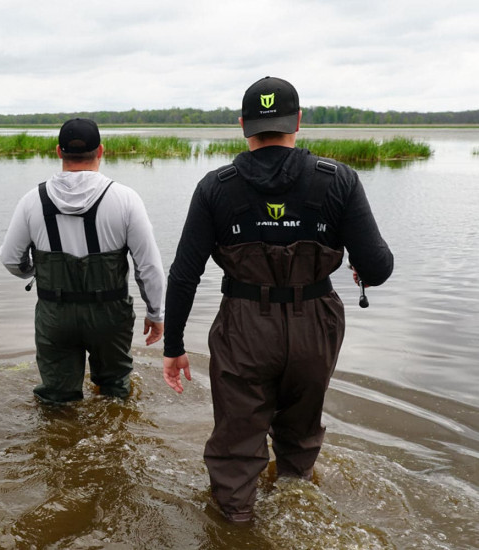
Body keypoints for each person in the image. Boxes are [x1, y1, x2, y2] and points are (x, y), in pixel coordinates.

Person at [162, 77, 393, 522]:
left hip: (244, 329)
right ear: (299, 121)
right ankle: (297, 510)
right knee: (301, 435)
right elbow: (378, 268)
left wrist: (173, 347)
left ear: (244, 125)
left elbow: (185, 274)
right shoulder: (338, 180)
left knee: (236, 447)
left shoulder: (215, 187)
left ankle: (237, 525)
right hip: (316, 326)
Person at [0, 118, 165, 404]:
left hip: (55, 313)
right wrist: (156, 313)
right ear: (100, 151)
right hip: (109, 315)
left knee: (56, 397)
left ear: (58, 152)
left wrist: (35, 270)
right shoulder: (125, 199)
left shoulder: (32, 200)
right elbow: (148, 266)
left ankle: (57, 443)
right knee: (115, 392)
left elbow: (10, 259)